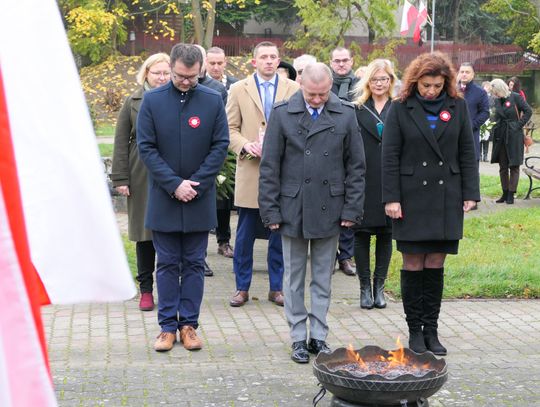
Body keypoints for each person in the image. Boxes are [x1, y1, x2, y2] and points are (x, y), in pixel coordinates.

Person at [259, 62, 366, 363]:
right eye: (311, 94)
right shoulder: (282, 113)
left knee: (322, 277)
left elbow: (356, 167)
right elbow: (270, 166)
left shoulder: (346, 114)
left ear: (331, 87)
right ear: (301, 85)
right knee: (293, 278)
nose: (317, 100)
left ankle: (318, 335)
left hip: (330, 206)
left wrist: (352, 208)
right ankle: (297, 337)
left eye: (322, 94)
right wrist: (270, 211)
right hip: (292, 206)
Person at [382, 52, 480, 356]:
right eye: (426, 85)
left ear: (446, 82)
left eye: (437, 86)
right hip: (410, 197)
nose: (431, 91)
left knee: (436, 263)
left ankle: (431, 330)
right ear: (415, 81)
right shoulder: (400, 107)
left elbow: (467, 151)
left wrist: (470, 192)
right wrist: (391, 198)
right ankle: (415, 330)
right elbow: (389, 155)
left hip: (446, 195)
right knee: (413, 262)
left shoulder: (458, 106)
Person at [137, 44, 229, 352]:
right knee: (166, 263)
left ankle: (188, 325)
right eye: (179, 76)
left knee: (193, 263)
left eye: (191, 77)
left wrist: (196, 185)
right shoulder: (152, 100)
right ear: (172, 68)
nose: (185, 82)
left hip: (198, 198)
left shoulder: (212, 100)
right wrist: (174, 184)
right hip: (164, 197)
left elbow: (220, 145)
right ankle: (166, 327)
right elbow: (146, 147)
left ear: (200, 70)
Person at [226, 41, 299, 307]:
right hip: (251, 170)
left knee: (279, 234)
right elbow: (229, 128)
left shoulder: (293, 89)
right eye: (264, 57)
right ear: (254, 61)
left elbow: (300, 127)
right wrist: (246, 145)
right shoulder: (238, 89)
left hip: (283, 172)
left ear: (279, 61)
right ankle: (241, 287)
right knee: (244, 234)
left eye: (273, 57)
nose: (269, 61)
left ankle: (276, 287)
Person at [111, 53, 170, 312]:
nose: (162, 77)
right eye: (157, 73)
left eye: (166, 73)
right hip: (140, 171)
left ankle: (169, 288)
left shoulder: (178, 98)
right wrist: (121, 177)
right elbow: (120, 140)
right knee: (144, 234)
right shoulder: (132, 101)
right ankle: (146, 289)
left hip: (171, 169)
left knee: (169, 233)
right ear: (146, 73)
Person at [352, 59, 397, 310]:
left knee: (386, 234)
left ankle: (379, 287)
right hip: (364, 177)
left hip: (390, 177)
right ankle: (364, 288)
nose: (379, 83)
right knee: (362, 234)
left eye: (384, 79)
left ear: (391, 81)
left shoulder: (399, 107)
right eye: (374, 79)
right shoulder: (357, 109)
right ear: (367, 82)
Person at [204, 46, 238, 260]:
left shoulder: (236, 85)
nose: (216, 67)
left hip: (228, 145)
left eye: (220, 63)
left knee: (225, 197)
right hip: (206, 143)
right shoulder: (199, 84)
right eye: (212, 63)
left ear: (225, 62)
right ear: (206, 63)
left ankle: (224, 241)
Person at [329, 46, 360, 276]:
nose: (341, 64)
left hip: (353, 147)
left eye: (345, 60)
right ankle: (329, 256)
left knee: (349, 202)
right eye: (337, 61)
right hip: (329, 149)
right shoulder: (324, 84)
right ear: (331, 63)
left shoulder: (360, 86)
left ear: (352, 61)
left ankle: (346, 256)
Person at [490, 78, 532, 204]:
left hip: (514, 135)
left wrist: (517, 125)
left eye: (495, 92)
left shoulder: (516, 97)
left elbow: (528, 111)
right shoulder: (497, 100)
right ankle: (504, 192)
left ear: (500, 89)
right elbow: (496, 116)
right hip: (501, 136)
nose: (494, 95)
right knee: (503, 166)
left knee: (514, 165)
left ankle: (511, 194)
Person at [457, 63, 490, 164]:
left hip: (471, 137)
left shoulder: (480, 92)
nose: (464, 74)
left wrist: (472, 125)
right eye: (462, 72)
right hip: (452, 138)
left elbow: (485, 112)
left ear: (473, 74)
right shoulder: (451, 90)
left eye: (467, 72)